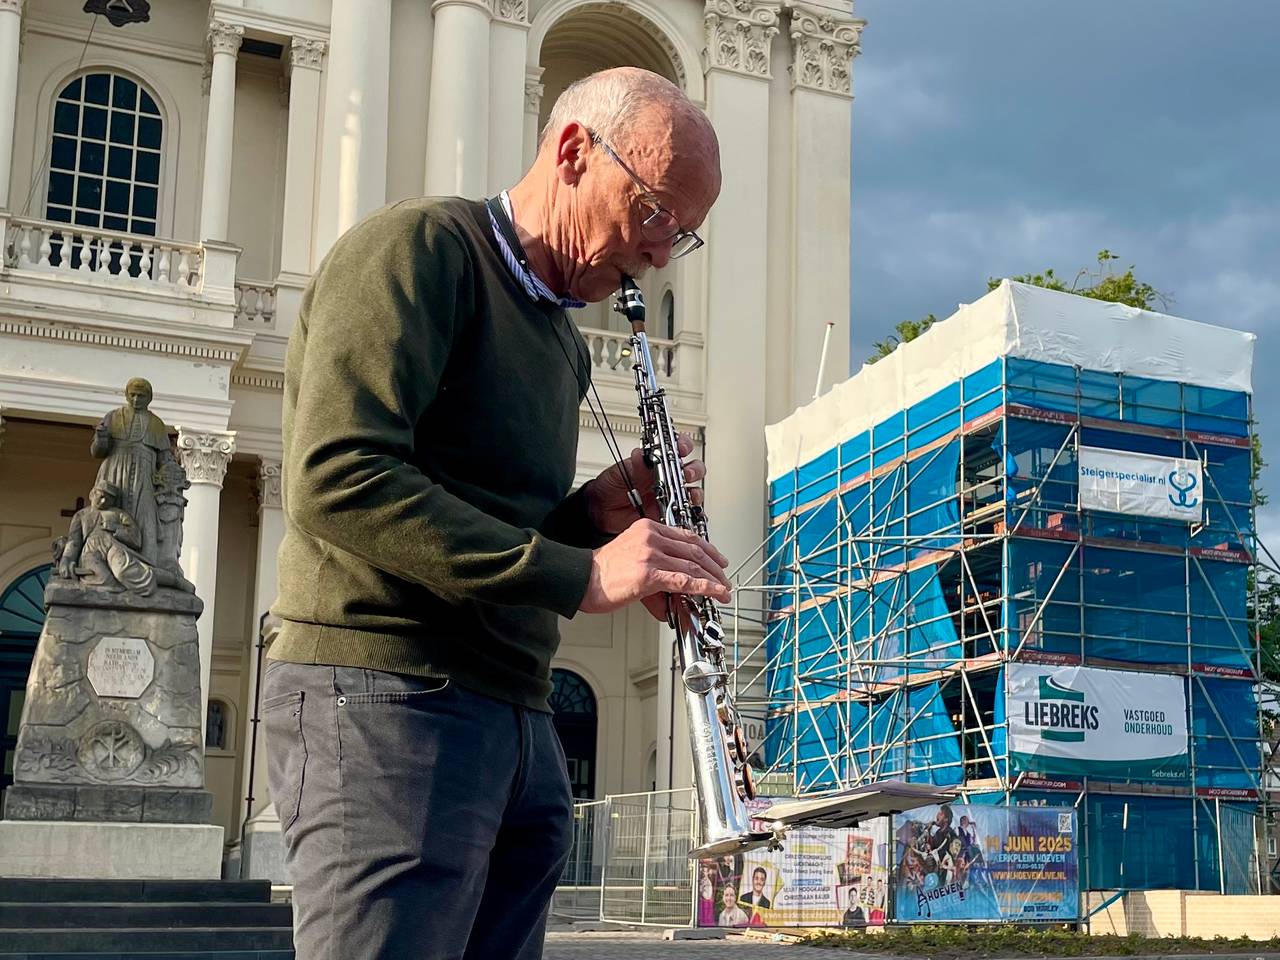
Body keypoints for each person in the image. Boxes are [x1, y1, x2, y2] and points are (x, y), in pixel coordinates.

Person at [263, 67, 725, 960]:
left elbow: (492, 520)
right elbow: (335, 476)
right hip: (385, 694)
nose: (662, 253)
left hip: (514, 713)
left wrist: (594, 515)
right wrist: (582, 572)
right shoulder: (420, 249)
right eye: (656, 213)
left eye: (685, 235)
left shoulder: (561, 337)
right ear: (573, 152)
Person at [90, 377, 174, 563]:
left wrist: (170, 472)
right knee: (108, 515)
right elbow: (98, 452)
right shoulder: (112, 417)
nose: (136, 400)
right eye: (133, 395)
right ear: (127, 395)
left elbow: (165, 458)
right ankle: (105, 560)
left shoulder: (156, 424)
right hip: (113, 473)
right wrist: (101, 439)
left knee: (146, 519)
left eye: (141, 396)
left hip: (144, 477)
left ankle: (147, 565)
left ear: (149, 398)